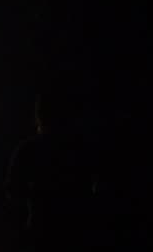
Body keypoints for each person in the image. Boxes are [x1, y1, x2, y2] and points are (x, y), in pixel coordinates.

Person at [5, 91, 97, 251]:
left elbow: (12, 190)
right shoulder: (79, 149)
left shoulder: (29, 149)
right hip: (75, 231)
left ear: (38, 115)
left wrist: (36, 195)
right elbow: (91, 187)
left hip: (40, 230)